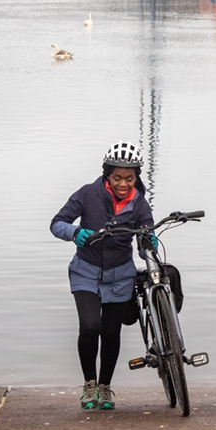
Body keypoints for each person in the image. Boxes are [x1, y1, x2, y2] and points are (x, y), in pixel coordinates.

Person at [50, 141, 154, 411]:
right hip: (85, 272)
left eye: (129, 178)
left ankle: (105, 388)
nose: (123, 183)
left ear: (136, 177)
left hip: (121, 277)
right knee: (90, 327)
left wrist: (148, 244)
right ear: (107, 173)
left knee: (111, 332)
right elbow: (57, 223)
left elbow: (146, 236)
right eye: (117, 177)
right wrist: (75, 233)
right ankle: (89, 384)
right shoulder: (87, 194)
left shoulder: (139, 203)